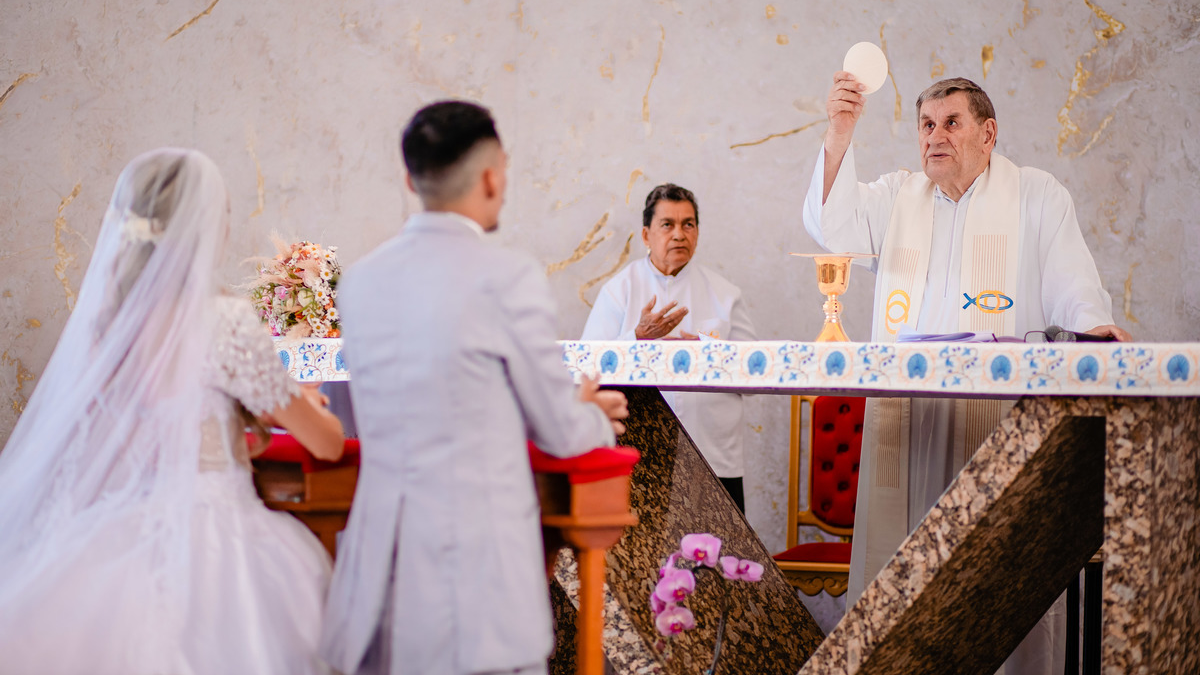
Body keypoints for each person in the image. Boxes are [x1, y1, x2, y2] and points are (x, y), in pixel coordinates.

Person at [803, 72, 1129, 674]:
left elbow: (1073, 284)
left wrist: (1094, 330)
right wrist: (840, 130)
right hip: (910, 417)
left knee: (1003, 567)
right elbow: (833, 228)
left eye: (951, 123)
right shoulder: (898, 198)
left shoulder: (1035, 195)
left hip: (997, 419)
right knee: (903, 569)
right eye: (926, 125)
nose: (935, 136)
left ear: (988, 132)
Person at [0, 148, 345, 674]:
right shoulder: (225, 322)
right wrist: (306, 404)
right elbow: (326, 443)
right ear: (200, 227)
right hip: (218, 539)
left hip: (123, 529)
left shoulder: (108, 326)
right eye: (222, 216)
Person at [319, 101, 628, 675]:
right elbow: (562, 434)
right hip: (473, 575)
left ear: (409, 179)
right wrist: (588, 413)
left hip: (377, 568)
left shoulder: (359, 283)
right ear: (491, 177)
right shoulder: (507, 278)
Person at [581, 183, 756, 513]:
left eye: (688, 224)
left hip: (713, 456)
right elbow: (586, 369)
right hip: (638, 456)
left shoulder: (726, 294)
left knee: (721, 547)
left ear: (697, 232)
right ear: (646, 235)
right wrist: (637, 338)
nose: (679, 234)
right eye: (667, 224)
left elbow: (756, 373)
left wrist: (708, 351)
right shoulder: (619, 291)